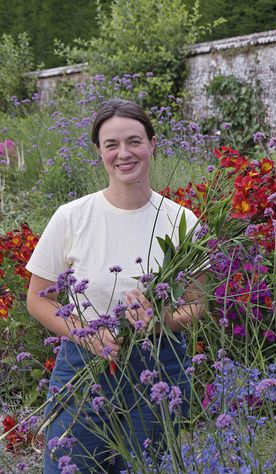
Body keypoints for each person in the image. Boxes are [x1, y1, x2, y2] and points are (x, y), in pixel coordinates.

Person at [26, 99, 205, 473]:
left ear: (153, 144)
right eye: (112, 145)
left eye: (134, 141)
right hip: (84, 362)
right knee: (68, 465)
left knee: (144, 466)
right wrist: (85, 334)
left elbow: (197, 304)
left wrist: (158, 321)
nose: (124, 154)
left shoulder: (181, 220)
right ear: (99, 152)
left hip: (159, 362)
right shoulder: (72, 217)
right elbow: (38, 301)